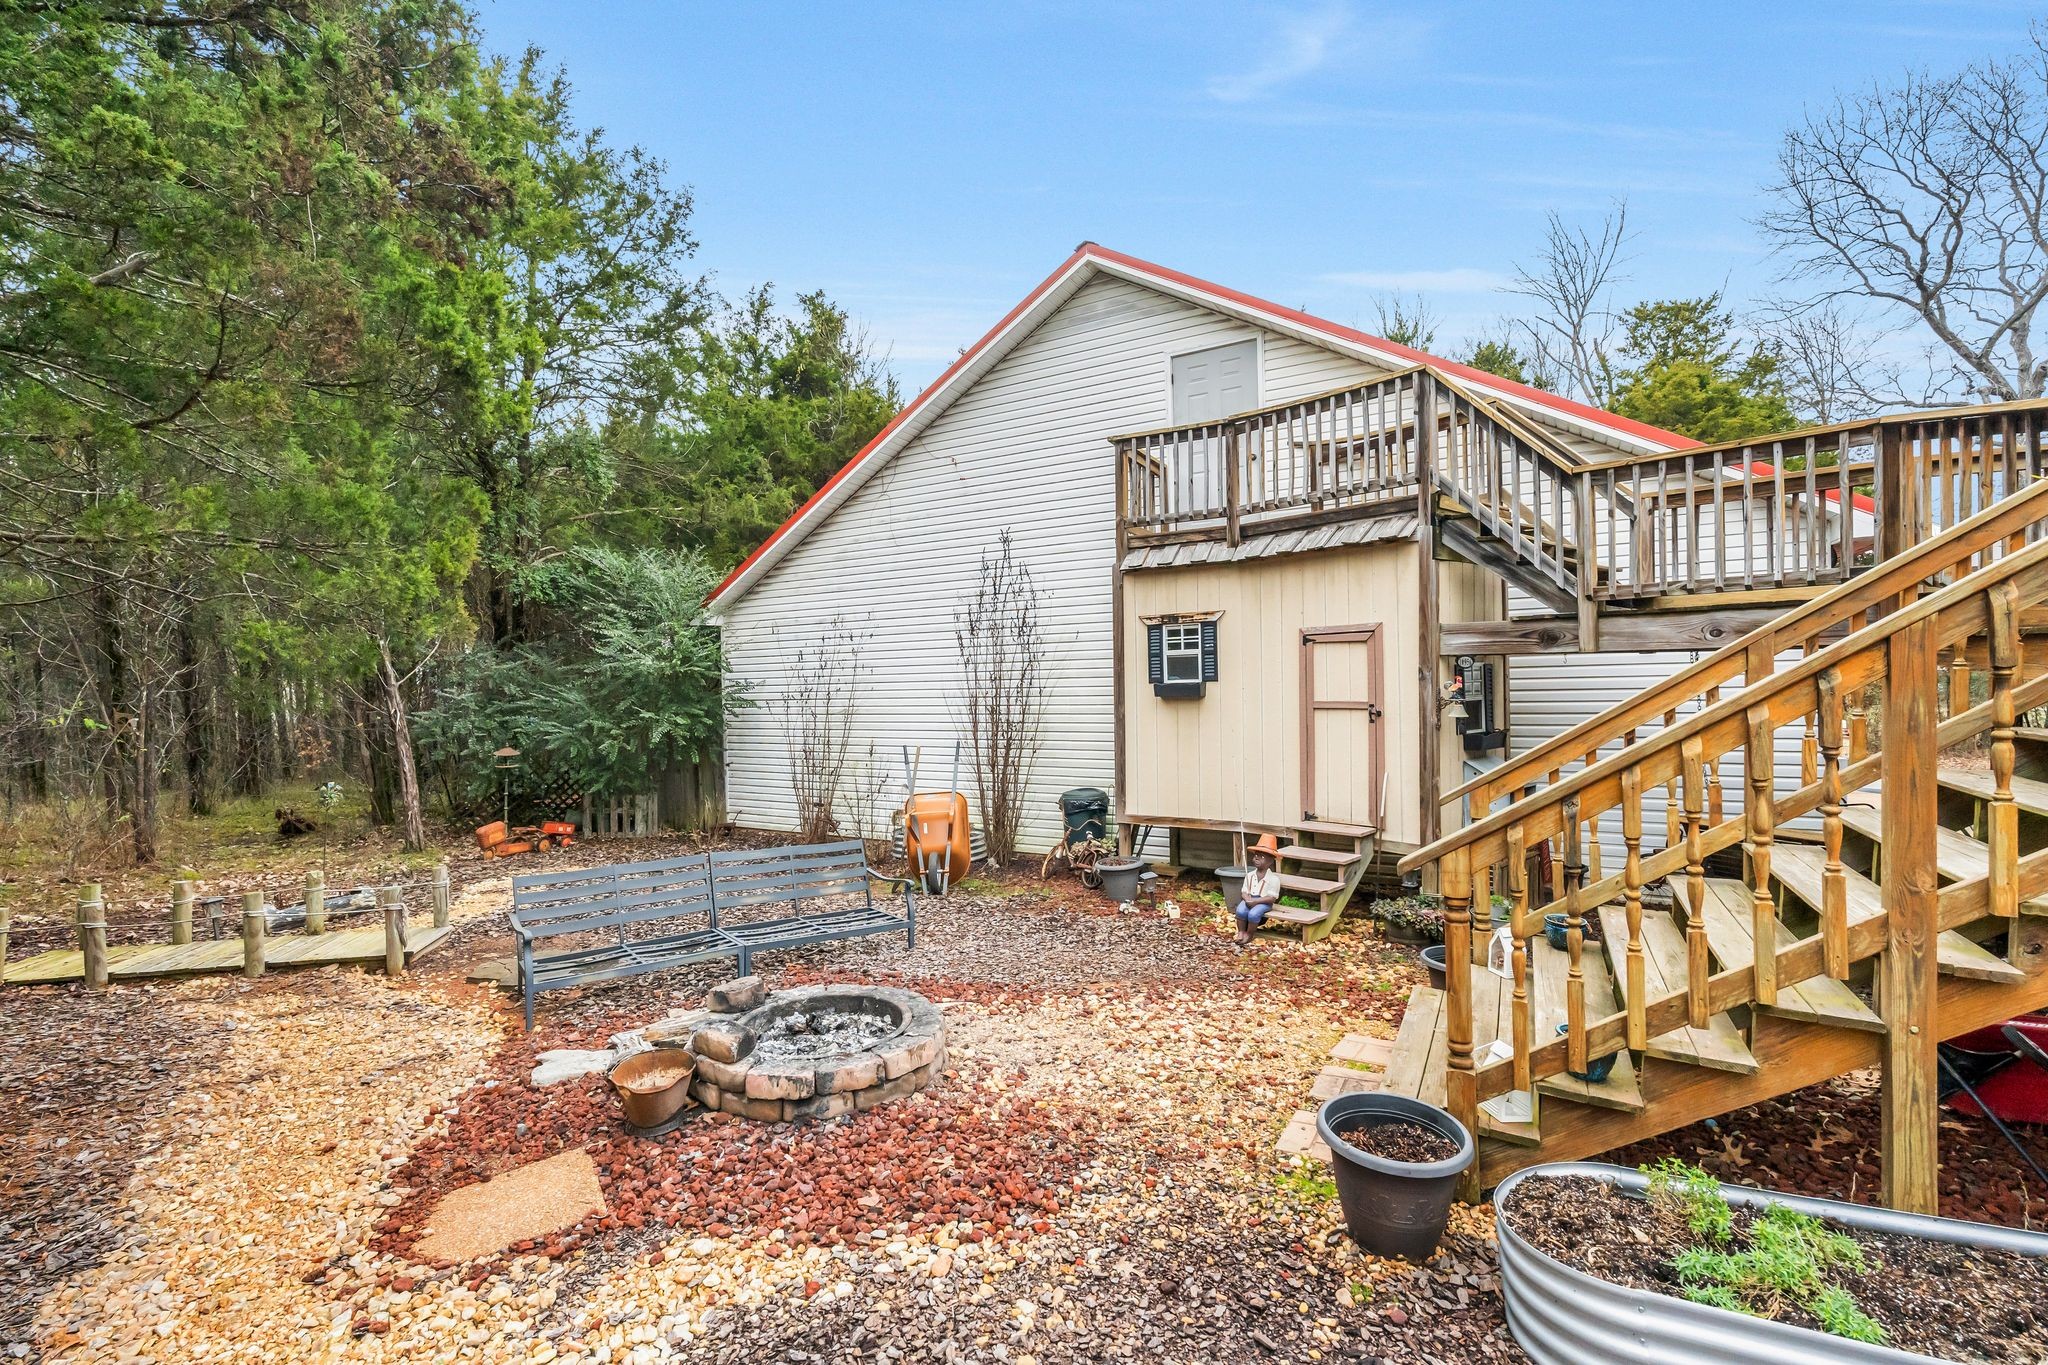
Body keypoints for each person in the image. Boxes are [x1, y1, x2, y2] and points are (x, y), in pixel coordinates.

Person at [1235, 833, 1283, 946]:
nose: (1256, 858)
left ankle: (1250, 934)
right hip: (1250, 899)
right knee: (1241, 910)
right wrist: (1247, 899)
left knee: (1254, 913)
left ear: (1270, 861)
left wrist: (1255, 902)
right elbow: (1244, 891)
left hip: (1263, 902)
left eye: (1261, 857)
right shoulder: (1250, 875)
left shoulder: (1273, 879)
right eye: (1256, 855)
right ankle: (1241, 931)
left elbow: (1271, 898)